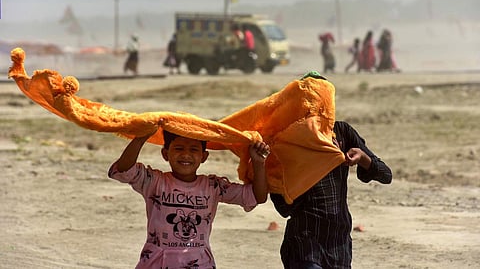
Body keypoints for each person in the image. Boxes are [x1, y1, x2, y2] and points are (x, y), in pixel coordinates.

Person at [270, 76, 392, 268]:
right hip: (304, 242)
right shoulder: (286, 143)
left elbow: (386, 175)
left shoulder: (342, 133)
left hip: (338, 242)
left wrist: (363, 158)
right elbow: (283, 207)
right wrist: (310, 166)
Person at [108, 129, 269, 268]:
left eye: (193, 150)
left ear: (204, 156)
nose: (186, 154)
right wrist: (141, 138)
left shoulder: (213, 186)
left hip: (200, 263)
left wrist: (258, 162)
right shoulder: (154, 181)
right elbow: (123, 170)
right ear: (165, 153)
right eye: (178, 148)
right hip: (156, 262)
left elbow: (256, 196)